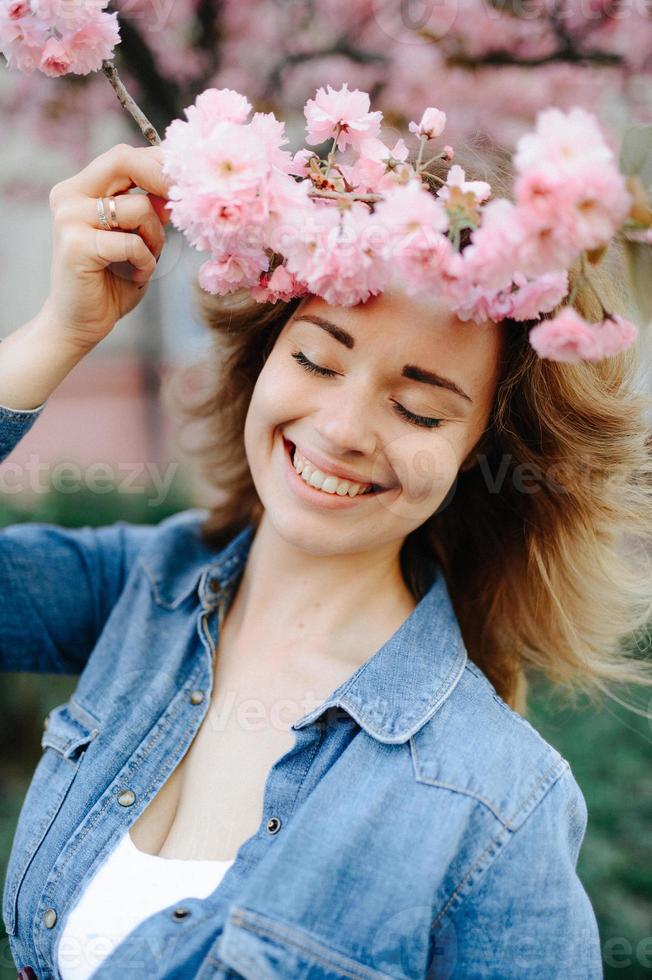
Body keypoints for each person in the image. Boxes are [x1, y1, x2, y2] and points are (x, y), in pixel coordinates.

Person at [1, 141, 651, 980]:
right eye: (316, 358)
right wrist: (59, 332)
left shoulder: (494, 804)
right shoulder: (137, 589)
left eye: (418, 410)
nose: (344, 429)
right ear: (264, 356)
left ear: (480, 454)